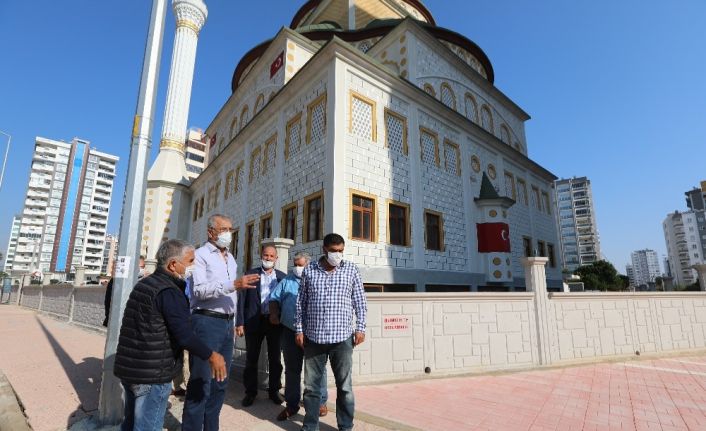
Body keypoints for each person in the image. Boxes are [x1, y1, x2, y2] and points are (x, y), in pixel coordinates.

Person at [113, 240, 227, 431]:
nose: (194, 266)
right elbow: (184, 335)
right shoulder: (169, 292)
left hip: (131, 369)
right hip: (152, 373)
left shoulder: (145, 284)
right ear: (173, 264)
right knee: (147, 426)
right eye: (190, 261)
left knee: (131, 424)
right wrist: (212, 355)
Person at [182, 214, 259, 431]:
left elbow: (233, 294)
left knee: (220, 383)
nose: (228, 234)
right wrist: (232, 284)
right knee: (201, 381)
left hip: (227, 325)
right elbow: (199, 290)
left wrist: (235, 319)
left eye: (230, 229)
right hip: (206, 322)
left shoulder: (231, 258)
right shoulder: (200, 255)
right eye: (223, 229)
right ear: (211, 232)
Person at [296, 233, 367, 431]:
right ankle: (310, 426)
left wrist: (360, 328)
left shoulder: (351, 270)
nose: (337, 254)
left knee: (345, 387)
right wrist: (299, 330)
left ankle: (345, 426)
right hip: (314, 338)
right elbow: (301, 303)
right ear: (324, 249)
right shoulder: (310, 270)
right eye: (334, 251)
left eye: (341, 251)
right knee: (311, 388)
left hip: (342, 339)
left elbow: (360, 302)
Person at [269, 251, 328, 421]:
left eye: (300, 265)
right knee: (292, 370)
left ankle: (320, 402)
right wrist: (274, 314)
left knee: (317, 370)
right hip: (289, 331)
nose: (297, 268)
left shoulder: (319, 279)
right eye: (295, 264)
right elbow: (274, 298)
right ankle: (292, 405)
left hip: (313, 333)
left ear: (309, 265)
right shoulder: (287, 280)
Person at [237, 244, 286, 407]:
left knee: (275, 359)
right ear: (261, 256)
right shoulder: (251, 274)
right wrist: (240, 322)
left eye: (272, 256)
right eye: (266, 255)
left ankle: (274, 391)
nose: (268, 258)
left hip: (274, 323)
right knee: (251, 358)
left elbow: (287, 301)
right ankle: (250, 392)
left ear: (276, 259)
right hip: (253, 320)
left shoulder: (282, 277)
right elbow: (242, 300)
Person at [103, 256, 146, 327]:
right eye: (140, 267)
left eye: (143, 267)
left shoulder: (143, 282)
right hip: (121, 324)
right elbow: (109, 303)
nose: (142, 270)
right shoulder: (117, 282)